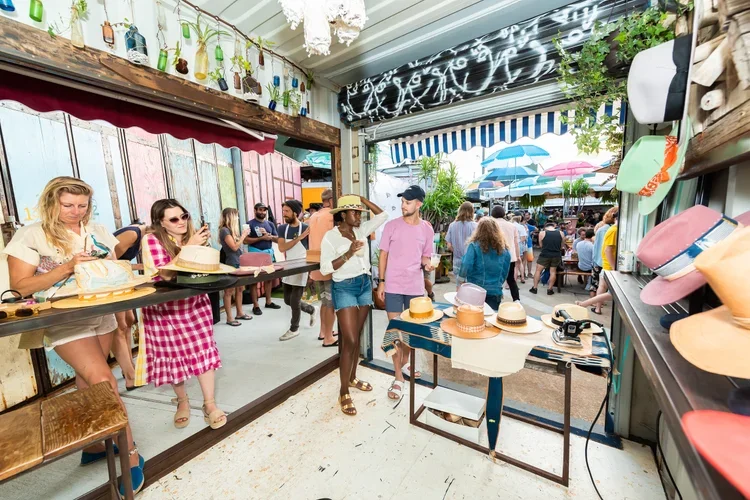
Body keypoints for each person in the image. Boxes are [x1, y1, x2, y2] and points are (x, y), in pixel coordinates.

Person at [3, 177, 143, 496]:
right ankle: (131, 454)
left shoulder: (97, 230)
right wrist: (67, 267)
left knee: (87, 381)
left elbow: (112, 268)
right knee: (104, 379)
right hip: (64, 318)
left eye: (81, 206)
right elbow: (21, 286)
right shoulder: (31, 234)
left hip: (100, 311)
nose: (75, 212)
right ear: (51, 202)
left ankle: (95, 445)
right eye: (67, 205)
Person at [141, 199, 226, 431]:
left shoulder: (191, 236)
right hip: (165, 307)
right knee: (173, 356)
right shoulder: (152, 240)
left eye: (184, 216)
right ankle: (182, 401)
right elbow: (166, 274)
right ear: (160, 222)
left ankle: (210, 404)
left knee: (203, 350)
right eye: (174, 219)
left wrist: (201, 248)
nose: (181, 222)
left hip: (194, 301)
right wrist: (189, 246)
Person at [320, 195, 387, 416]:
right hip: (344, 288)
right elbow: (324, 269)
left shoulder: (360, 230)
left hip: (364, 285)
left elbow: (383, 215)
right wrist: (349, 252)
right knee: (348, 339)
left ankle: (352, 376)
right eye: (354, 212)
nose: (358, 216)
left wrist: (363, 200)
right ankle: (343, 390)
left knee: (356, 336)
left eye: (359, 212)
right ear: (342, 214)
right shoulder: (330, 238)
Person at [376, 185, 435, 400]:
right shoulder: (391, 226)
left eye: (408, 202)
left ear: (418, 204)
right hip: (392, 287)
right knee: (396, 334)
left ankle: (406, 365)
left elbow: (425, 256)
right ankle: (398, 376)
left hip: (415, 289)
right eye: (402, 201)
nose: (403, 205)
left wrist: (428, 265)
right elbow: (383, 256)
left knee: (410, 335)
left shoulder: (427, 229)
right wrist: (381, 282)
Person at [113, 219, 148, 391]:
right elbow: (109, 260)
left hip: (122, 279)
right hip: (111, 281)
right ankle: (129, 376)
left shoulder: (142, 238)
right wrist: (143, 266)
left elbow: (123, 262)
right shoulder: (134, 233)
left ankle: (127, 365)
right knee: (119, 326)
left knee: (129, 320)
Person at [277, 199, 316, 341]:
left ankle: (294, 328)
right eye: (283, 212)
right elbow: (282, 248)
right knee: (287, 300)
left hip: (302, 267)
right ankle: (311, 309)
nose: (284, 214)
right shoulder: (282, 228)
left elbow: (310, 250)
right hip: (288, 266)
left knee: (294, 300)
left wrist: (311, 271)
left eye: (287, 211)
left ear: (295, 212)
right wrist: (299, 238)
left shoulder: (306, 227)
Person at [458, 218, 511, 310]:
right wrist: (498, 285)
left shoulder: (474, 246)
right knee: (490, 320)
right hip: (495, 291)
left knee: (473, 319)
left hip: (475, 289)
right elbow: (505, 272)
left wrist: (461, 280)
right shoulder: (504, 250)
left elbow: (466, 264)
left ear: (479, 230)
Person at [308, 189, 338, 347]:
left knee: (324, 301)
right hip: (329, 265)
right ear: (332, 200)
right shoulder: (333, 216)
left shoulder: (313, 216)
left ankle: (323, 331)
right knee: (330, 303)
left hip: (315, 264)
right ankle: (328, 337)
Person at [244, 202, 281, 316]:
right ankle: (256, 305)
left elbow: (277, 239)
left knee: (269, 278)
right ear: (255, 210)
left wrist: (268, 236)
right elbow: (245, 240)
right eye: (260, 210)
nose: (262, 212)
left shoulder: (270, 224)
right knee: (255, 280)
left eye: (264, 210)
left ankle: (268, 301)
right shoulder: (249, 224)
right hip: (254, 254)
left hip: (268, 254)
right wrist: (261, 238)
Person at [218, 207, 252, 326]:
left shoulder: (232, 231)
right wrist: (243, 236)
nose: (237, 218)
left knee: (240, 289)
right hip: (231, 263)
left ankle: (240, 313)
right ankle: (229, 318)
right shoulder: (224, 231)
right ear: (230, 217)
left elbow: (239, 248)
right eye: (236, 216)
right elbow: (234, 247)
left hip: (239, 261)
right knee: (229, 291)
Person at [589, 210, 619, 315]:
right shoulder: (613, 230)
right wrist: (614, 267)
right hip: (607, 264)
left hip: (601, 261)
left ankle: (596, 306)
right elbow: (608, 250)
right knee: (602, 287)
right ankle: (596, 305)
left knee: (600, 285)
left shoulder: (606, 229)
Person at [490, 206, 520, 302]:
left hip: (494, 256)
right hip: (510, 257)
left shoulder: (491, 225)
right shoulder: (512, 226)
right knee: (511, 279)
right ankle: (516, 300)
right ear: (504, 214)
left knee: (494, 279)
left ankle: (496, 300)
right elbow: (516, 243)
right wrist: (518, 256)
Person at [445, 201, 477, 287]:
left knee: (459, 286)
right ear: (472, 212)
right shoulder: (475, 226)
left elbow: (449, 245)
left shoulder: (452, 225)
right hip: (472, 262)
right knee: (470, 288)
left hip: (457, 261)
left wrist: (456, 250)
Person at [530, 220, 565, 295]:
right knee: (553, 272)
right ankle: (550, 289)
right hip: (556, 255)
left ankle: (535, 288)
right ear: (554, 226)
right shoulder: (561, 233)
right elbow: (562, 246)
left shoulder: (542, 233)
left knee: (538, 271)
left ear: (545, 227)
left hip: (545, 255)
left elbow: (541, 245)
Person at [512, 215, 528, 283]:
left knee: (514, 264)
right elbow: (523, 238)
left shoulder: (510, 225)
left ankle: (514, 280)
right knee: (520, 262)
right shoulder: (521, 226)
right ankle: (522, 277)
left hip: (512, 245)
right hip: (520, 245)